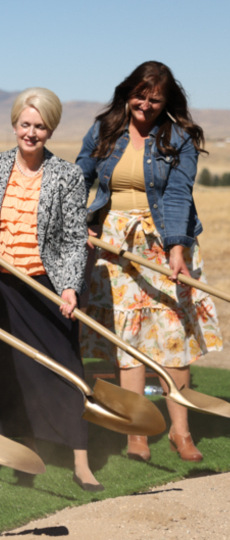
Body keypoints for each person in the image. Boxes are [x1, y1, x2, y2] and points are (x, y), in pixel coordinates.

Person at [76, 61, 222, 463]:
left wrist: (176, 248)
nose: (146, 105)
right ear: (128, 93)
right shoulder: (105, 129)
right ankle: (135, 431)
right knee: (130, 338)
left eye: (155, 100)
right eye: (140, 96)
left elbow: (177, 194)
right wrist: (79, 219)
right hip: (115, 246)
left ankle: (180, 430)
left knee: (174, 338)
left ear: (166, 101)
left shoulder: (180, 137)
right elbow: (80, 175)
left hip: (163, 242)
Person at [0, 88, 101, 491]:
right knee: (13, 373)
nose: (31, 133)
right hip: (4, 287)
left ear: (50, 130)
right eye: (25, 124)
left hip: (49, 287)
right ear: (15, 123)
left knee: (65, 370)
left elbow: (75, 239)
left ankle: (81, 461)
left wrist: (70, 288)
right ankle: (26, 455)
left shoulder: (68, 176)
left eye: (40, 126)